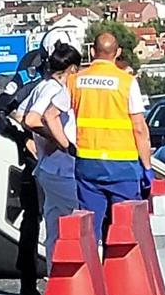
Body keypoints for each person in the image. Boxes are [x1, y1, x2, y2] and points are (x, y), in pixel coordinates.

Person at [69, 33, 152, 242]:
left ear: (91, 51)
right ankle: (117, 272)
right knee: (124, 228)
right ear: (118, 53)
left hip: (87, 163)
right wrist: (148, 167)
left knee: (89, 228)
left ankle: (92, 271)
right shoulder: (127, 82)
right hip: (123, 165)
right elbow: (139, 128)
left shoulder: (75, 81)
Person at [20, 43, 82, 267]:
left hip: (47, 168)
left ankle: (55, 280)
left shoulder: (42, 86)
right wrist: (63, 142)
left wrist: (39, 141)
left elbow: (20, 114)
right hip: (62, 168)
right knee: (83, 219)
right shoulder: (57, 90)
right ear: (73, 69)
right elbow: (32, 119)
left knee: (54, 230)